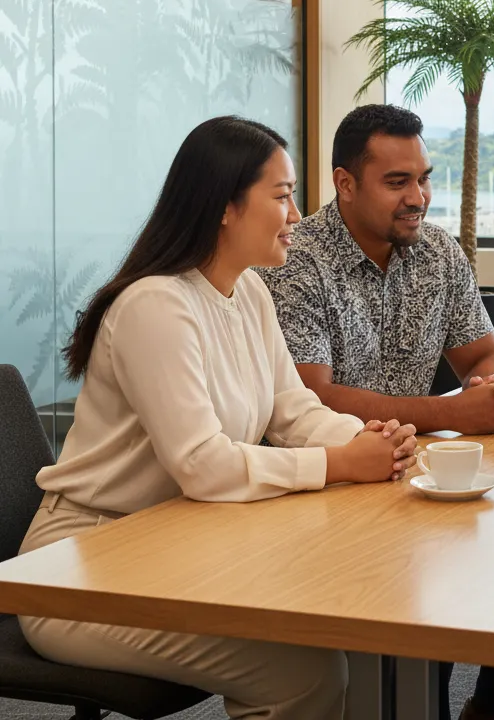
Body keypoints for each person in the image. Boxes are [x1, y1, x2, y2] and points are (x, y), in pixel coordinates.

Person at [19, 116, 418, 720]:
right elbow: (202, 466)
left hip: (177, 543)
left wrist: (372, 441)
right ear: (225, 207)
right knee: (303, 672)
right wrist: (341, 462)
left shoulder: (250, 291)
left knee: (335, 622)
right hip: (80, 565)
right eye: (282, 196)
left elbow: (293, 410)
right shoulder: (156, 304)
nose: (297, 216)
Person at [259, 103, 494, 720]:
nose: (418, 196)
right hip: (326, 486)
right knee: (435, 603)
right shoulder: (297, 261)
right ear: (345, 184)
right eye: (397, 183)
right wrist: (450, 414)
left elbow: (486, 352)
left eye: (424, 178)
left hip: (414, 476)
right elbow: (311, 394)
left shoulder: (438, 253)